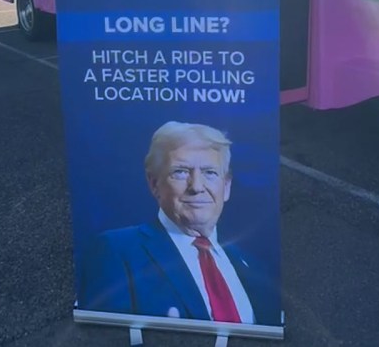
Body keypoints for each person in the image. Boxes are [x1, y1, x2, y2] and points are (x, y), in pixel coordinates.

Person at [76, 121, 281, 326]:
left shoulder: (252, 267)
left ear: (226, 186)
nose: (197, 187)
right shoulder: (116, 251)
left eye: (210, 172)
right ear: (154, 183)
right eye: (181, 172)